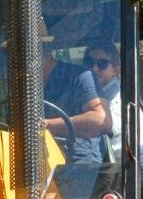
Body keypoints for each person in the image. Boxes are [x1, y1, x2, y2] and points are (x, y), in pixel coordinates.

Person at [42, 21, 108, 163]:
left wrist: (45, 125)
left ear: (43, 50)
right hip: (38, 164)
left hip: (78, 168)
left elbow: (101, 120)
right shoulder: (20, 87)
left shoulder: (79, 76)